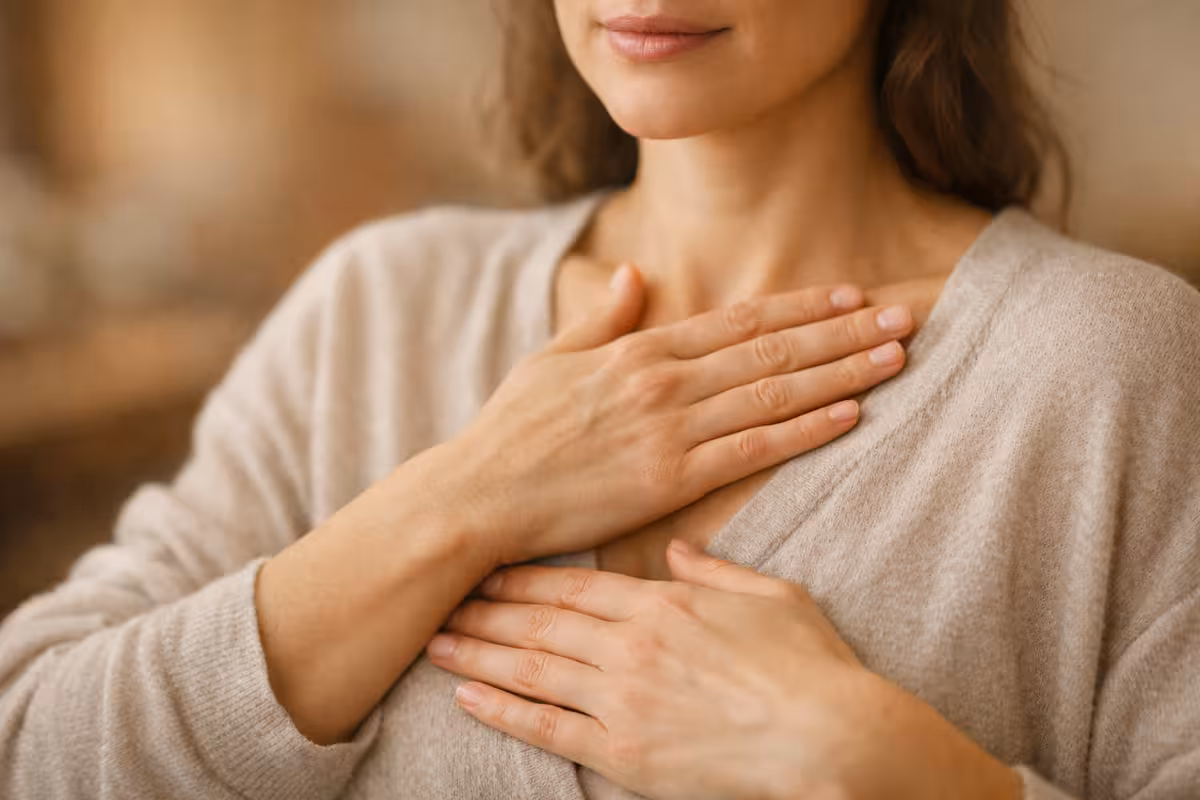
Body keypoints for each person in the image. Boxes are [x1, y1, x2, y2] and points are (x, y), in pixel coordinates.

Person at [1, 1, 1197, 798]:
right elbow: (31, 745)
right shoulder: (373, 312)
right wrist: (458, 500)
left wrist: (891, 768)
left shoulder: (1106, 365)